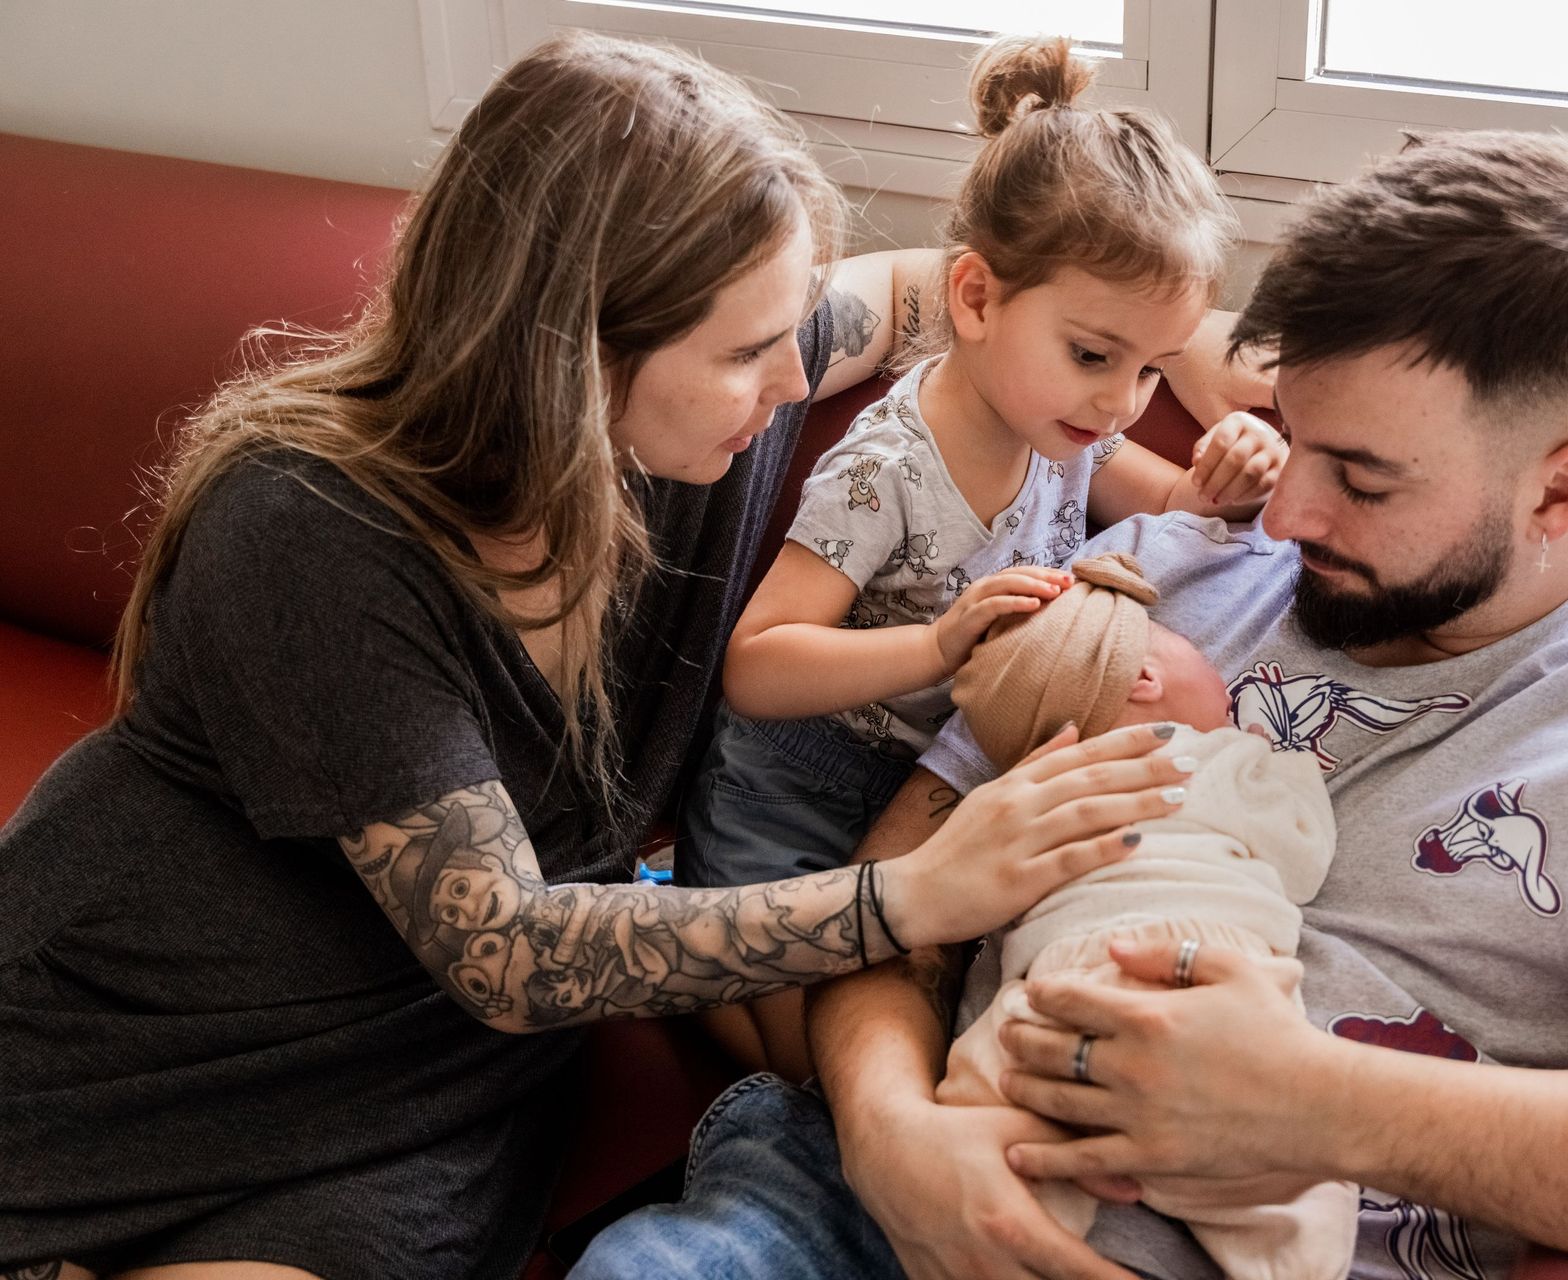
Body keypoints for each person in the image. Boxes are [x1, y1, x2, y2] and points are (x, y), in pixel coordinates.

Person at [0, 31, 1276, 1280]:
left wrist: (1226, 366)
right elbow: (508, 949)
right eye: (745, 351)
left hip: (435, 1081)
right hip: (153, 1032)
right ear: (566, 354)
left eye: (791, 329)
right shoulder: (312, 531)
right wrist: (915, 893)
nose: (797, 378)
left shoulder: (691, 425)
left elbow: (936, 290)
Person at [571, 130, 1568, 1280]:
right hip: (878, 1188)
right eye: (1286, 434)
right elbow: (906, 883)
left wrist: (1315, 1101)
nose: (1285, 514)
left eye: (1359, 478)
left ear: (1557, 492)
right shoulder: (1173, 569)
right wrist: (891, 1128)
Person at [675, 35, 1286, 1080]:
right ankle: (668, 904)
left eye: (1150, 370)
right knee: (793, 1060)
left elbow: (1183, 502)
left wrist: (1232, 467)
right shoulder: (888, 470)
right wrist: (939, 643)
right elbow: (760, 660)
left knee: (929, 1024)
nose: (1120, 402)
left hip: (931, 785)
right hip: (798, 787)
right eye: (1095, 355)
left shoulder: (1068, 429)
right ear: (974, 299)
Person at [937, 551, 1356, 1280]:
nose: (1224, 685)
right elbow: (1301, 859)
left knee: (994, 1133)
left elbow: (983, 916)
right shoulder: (1217, 755)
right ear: (1144, 680)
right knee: (1293, 1170)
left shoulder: (1032, 793)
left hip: (1050, 986)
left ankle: (1018, 1246)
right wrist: (1272, 766)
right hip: (1200, 975)